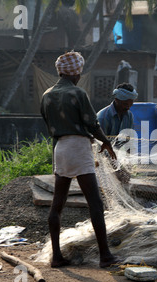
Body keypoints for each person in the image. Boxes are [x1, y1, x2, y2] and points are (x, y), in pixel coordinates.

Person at [40, 51, 119, 268]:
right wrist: (106, 142)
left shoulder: (47, 94)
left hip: (60, 148)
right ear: (76, 72)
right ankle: (105, 256)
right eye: (79, 72)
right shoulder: (77, 93)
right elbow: (92, 124)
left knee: (57, 205)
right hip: (78, 146)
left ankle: (56, 257)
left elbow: (47, 120)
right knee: (95, 202)